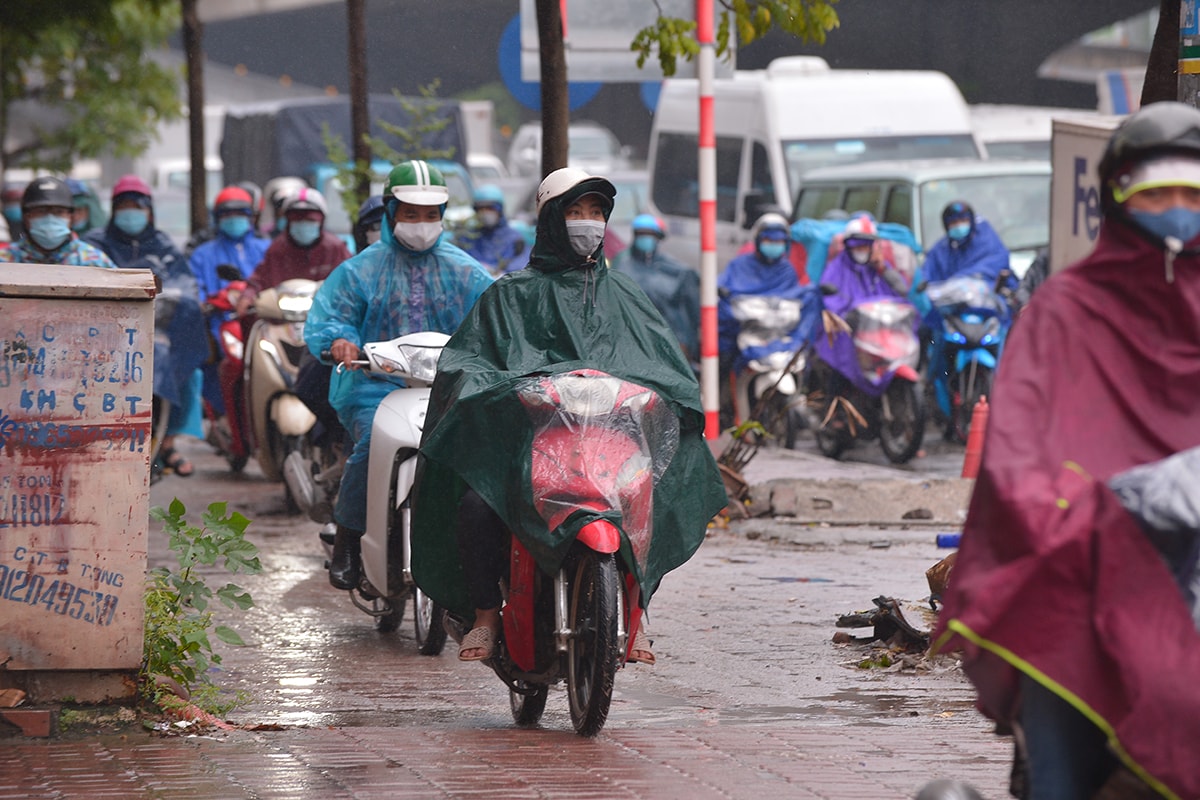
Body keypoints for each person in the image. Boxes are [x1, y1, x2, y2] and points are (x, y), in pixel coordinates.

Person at [932, 101, 1200, 800]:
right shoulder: (1064, 309)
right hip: (1083, 565)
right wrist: (1076, 509)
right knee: (1063, 740)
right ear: (1117, 196)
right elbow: (1019, 442)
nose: (1176, 208)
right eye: (1156, 192)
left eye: (1191, 192)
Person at [409, 167, 727, 663]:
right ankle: (487, 614)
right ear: (552, 219)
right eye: (576, 212)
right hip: (525, 444)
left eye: (597, 212)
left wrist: (652, 395)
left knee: (656, 493)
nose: (588, 223)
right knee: (475, 506)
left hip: (612, 444)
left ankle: (637, 610)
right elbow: (466, 363)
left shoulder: (625, 295)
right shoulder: (510, 295)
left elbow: (668, 368)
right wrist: (507, 389)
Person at [304, 160, 495, 590]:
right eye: (411, 213)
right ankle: (348, 540)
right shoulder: (359, 270)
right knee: (371, 443)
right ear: (391, 213)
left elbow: (493, 322)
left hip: (448, 388)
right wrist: (340, 340)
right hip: (373, 385)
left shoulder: (467, 272)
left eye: (430, 214)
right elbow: (333, 316)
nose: (421, 224)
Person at [84, 175, 209, 478]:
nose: (131, 213)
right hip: (105, 338)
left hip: (158, 332)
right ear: (113, 209)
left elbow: (183, 284)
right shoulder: (94, 245)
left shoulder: (163, 245)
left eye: (137, 206)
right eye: (124, 206)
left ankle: (167, 442)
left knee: (190, 371)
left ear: (149, 210)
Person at [189, 185, 272, 416]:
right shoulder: (202, 254)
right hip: (222, 324)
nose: (234, 219)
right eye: (227, 214)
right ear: (217, 218)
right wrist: (203, 303)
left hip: (264, 322)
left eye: (240, 214)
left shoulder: (267, 248)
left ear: (251, 217)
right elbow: (194, 288)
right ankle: (221, 414)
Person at [235, 187, 350, 316]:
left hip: (326, 320)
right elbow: (260, 278)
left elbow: (351, 279)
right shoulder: (277, 249)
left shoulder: (335, 248)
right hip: (282, 320)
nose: (303, 225)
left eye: (310, 220)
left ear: (321, 221)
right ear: (288, 222)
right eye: (297, 220)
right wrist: (247, 295)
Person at [611, 213, 701, 363]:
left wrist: (687, 342)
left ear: (658, 238)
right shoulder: (623, 265)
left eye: (650, 235)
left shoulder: (675, 270)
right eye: (642, 235)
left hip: (668, 340)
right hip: (629, 338)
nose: (646, 239)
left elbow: (691, 311)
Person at [0, 177, 115, 267]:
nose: (50, 218)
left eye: (58, 212)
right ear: (26, 216)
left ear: (71, 217)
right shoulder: (5, 262)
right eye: (41, 211)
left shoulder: (93, 262)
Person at [921, 200, 1013, 288]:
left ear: (972, 222)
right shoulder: (941, 249)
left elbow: (994, 265)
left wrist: (962, 280)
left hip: (986, 299)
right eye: (953, 223)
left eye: (963, 221)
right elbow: (927, 273)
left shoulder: (986, 240)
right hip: (949, 301)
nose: (959, 226)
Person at [454, 183, 529, 275]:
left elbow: (521, 265)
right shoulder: (467, 238)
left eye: (490, 208)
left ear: (499, 210)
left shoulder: (514, 239)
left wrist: (503, 274)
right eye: (481, 209)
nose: (485, 213)